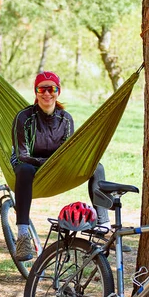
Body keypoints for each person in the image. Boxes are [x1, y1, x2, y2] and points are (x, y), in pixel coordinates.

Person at [10, 71, 109, 261]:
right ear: (36, 92)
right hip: (28, 163)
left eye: (51, 89)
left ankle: (103, 225)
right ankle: (23, 234)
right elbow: (23, 154)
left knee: (97, 167)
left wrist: (56, 165)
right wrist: (46, 164)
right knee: (24, 169)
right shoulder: (23, 117)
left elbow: (68, 151)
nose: (47, 93)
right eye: (42, 89)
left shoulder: (65, 119)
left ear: (58, 91)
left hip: (55, 165)